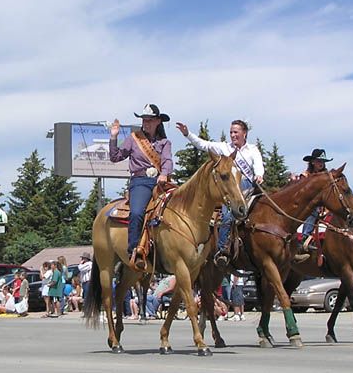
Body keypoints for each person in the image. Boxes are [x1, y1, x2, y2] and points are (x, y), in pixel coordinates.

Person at [176, 119, 264, 265]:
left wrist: (259, 174)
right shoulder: (224, 148)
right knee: (227, 213)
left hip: (248, 184)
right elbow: (204, 145)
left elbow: (258, 163)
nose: (233, 135)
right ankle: (222, 249)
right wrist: (187, 134)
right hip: (230, 188)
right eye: (231, 132)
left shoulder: (252, 149)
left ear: (244, 133)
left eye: (236, 132)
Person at [109, 104, 173, 270]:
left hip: (161, 181)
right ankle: (134, 250)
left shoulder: (165, 143)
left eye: (150, 120)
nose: (146, 123)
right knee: (137, 212)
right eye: (144, 120)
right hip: (141, 182)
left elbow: (167, 161)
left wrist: (164, 174)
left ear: (158, 121)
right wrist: (113, 137)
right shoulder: (133, 138)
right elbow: (115, 157)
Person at [295, 148, 333, 259]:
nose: (321, 163)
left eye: (323, 161)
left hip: (324, 208)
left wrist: (326, 209)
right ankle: (303, 239)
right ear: (312, 162)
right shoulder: (306, 176)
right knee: (312, 212)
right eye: (318, 161)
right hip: (308, 207)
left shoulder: (327, 177)